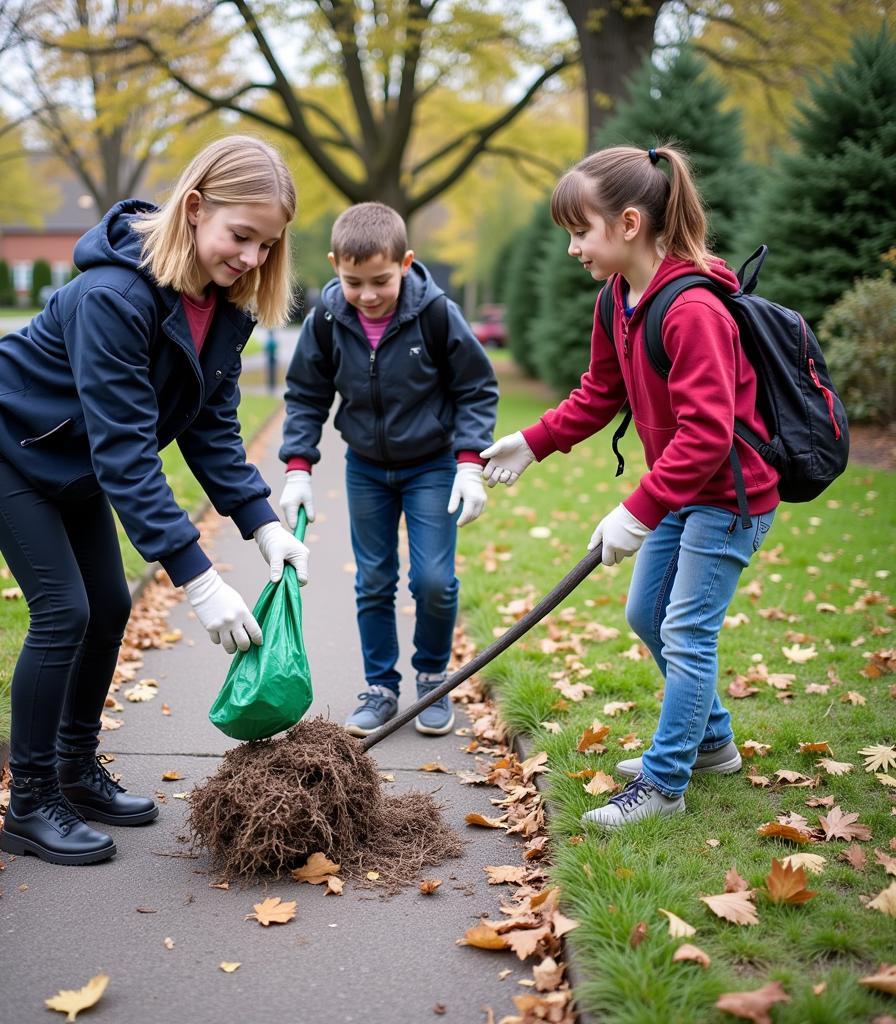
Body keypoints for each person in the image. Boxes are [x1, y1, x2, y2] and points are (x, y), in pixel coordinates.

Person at [0, 136, 309, 865]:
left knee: (110, 605)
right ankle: (30, 804)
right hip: (11, 446)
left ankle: (76, 770)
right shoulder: (113, 296)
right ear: (194, 207)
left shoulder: (223, 309)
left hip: (76, 460)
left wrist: (262, 522)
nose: (250, 258)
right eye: (239, 236)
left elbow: (210, 430)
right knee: (65, 612)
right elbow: (125, 450)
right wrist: (200, 581)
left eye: (266, 246)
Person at [481, 145, 779, 829]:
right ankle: (712, 744)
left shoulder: (692, 310)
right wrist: (534, 441)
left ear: (629, 223)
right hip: (685, 489)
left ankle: (664, 782)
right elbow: (598, 393)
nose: (572, 249)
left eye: (579, 231)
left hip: (731, 496)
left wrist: (636, 511)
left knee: (685, 630)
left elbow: (708, 435)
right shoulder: (617, 298)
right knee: (648, 616)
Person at [278, 202, 498, 738]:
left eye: (381, 280)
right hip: (367, 469)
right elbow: (307, 394)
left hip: (432, 465)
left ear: (406, 262)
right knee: (374, 580)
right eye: (354, 282)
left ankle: (431, 678)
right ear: (334, 265)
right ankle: (379, 688)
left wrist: (469, 462)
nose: (368, 295)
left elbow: (476, 387)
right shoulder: (328, 320)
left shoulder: (437, 313)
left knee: (434, 581)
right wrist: (298, 467)